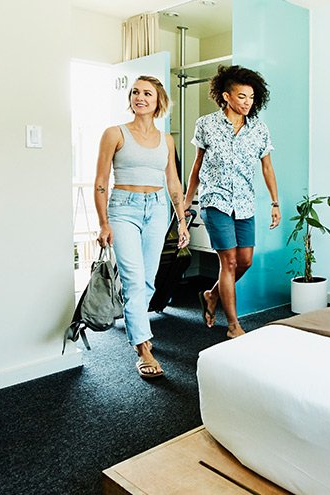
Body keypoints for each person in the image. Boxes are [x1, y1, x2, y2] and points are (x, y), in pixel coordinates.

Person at [93, 75, 189, 379]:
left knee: (148, 280)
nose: (139, 97)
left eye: (147, 93)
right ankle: (142, 347)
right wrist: (103, 223)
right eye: (135, 92)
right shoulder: (115, 134)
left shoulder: (166, 139)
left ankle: (137, 327)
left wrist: (182, 219)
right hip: (124, 209)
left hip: (158, 209)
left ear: (158, 100)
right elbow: (100, 182)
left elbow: (173, 181)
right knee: (135, 280)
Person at [184, 65, 280, 339]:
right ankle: (233, 326)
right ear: (226, 96)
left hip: (245, 203)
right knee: (228, 262)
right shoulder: (206, 125)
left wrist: (275, 203)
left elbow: (267, 168)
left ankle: (212, 295)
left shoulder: (259, 129)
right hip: (216, 201)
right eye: (241, 97)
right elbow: (197, 166)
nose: (248, 102)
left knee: (245, 261)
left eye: (251, 97)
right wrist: (187, 204)